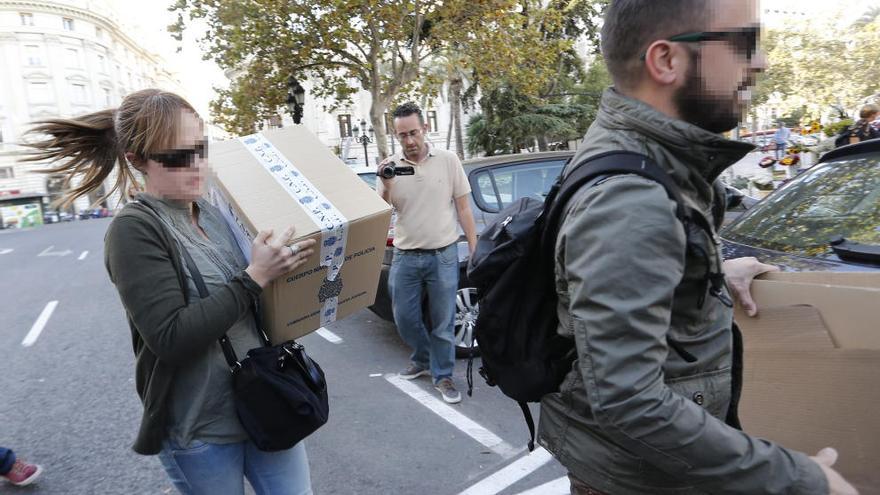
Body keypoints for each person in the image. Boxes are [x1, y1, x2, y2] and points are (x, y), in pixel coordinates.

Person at [537, 1, 859, 494]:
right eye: (745, 44)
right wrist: (806, 481)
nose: (762, 63)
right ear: (666, 61)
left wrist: (712, 271)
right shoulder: (631, 198)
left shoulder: (645, 159)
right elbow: (629, 402)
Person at [25, 89, 317, 495]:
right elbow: (170, 338)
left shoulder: (211, 211)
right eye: (178, 157)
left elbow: (252, 303)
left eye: (201, 148)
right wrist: (254, 276)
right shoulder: (134, 229)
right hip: (200, 425)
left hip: (268, 398)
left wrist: (285, 272)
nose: (196, 165)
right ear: (137, 160)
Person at [377, 102, 478, 404]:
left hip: (444, 255)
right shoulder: (391, 167)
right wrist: (384, 183)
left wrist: (474, 247)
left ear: (425, 129)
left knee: (443, 321)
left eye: (413, 132)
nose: (409, 141)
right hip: (406, 256)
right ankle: (422, 357)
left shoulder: (448, 160)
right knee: (404, 318)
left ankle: (443, 375)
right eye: (402, 135)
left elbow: (463, 208)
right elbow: (382, 211)